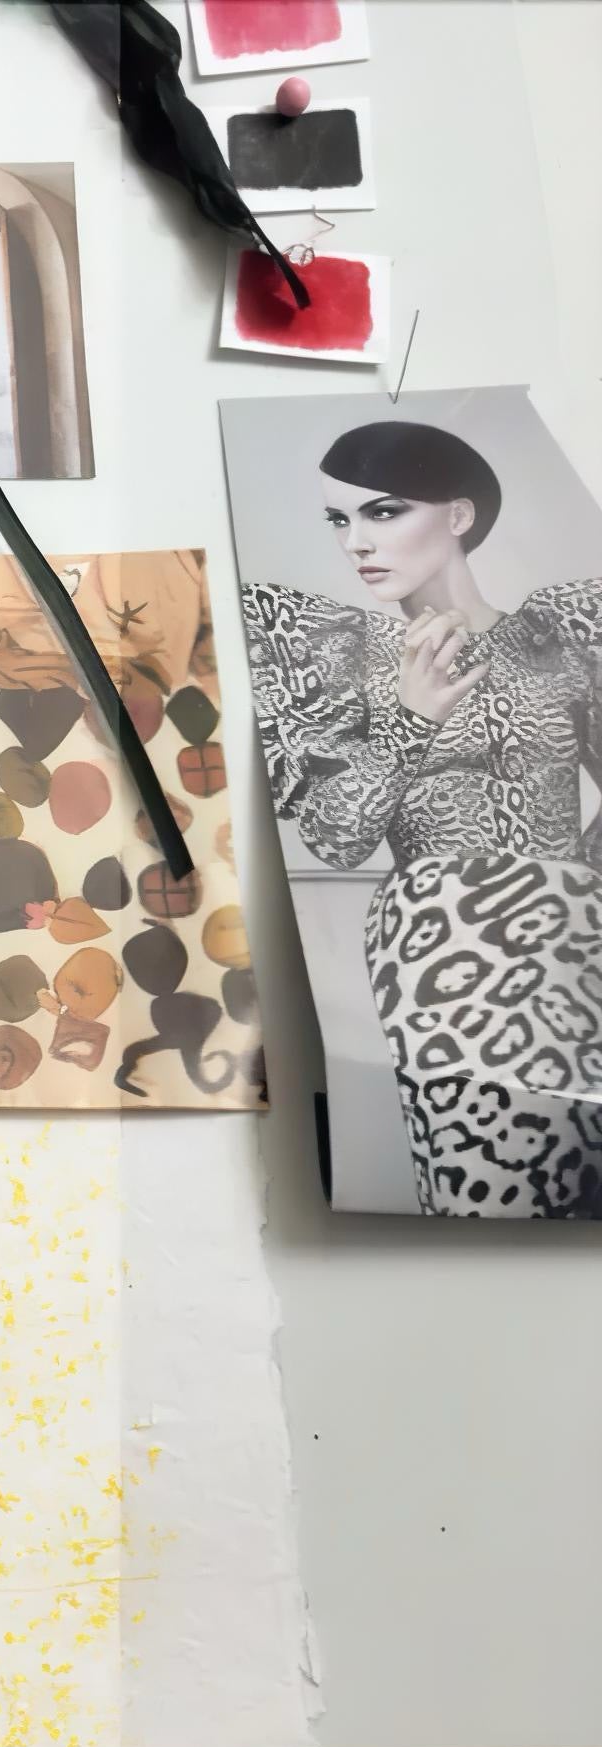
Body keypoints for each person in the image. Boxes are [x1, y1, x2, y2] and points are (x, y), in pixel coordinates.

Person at [242, 419, 602, 1218]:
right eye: (339, 519)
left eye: (383, 511)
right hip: (444, 941)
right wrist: (411, 720)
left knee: (587, 1191)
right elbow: (336, 838)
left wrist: (576, 888)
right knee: (491, 1191)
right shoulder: (349, 655)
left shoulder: (560, 639)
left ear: (459, 515)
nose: (357, 542)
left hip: (579, 940)